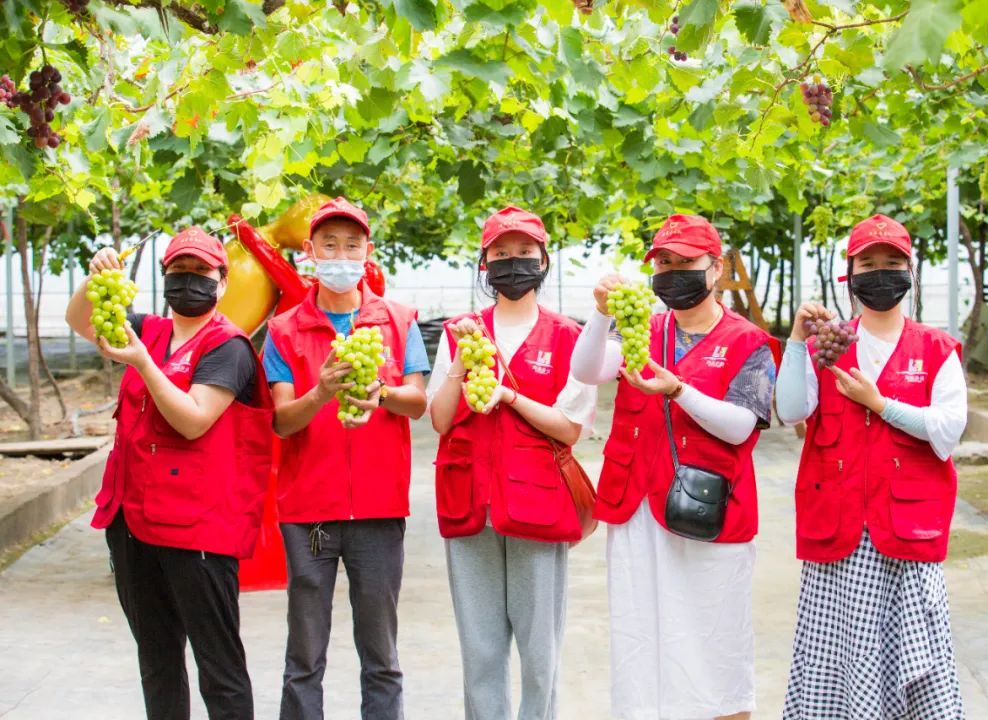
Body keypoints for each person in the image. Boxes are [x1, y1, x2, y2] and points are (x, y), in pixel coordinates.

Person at [570, 214, 777, 720]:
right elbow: (587, 370)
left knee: (713, 637)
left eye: (686, 262)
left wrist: (680, 391)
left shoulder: (749, 341)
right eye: (664, 262)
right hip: (637, 503)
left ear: (717, 267)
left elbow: (740, 426)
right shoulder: (644, 326)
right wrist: (600, 316)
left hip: (709, 508)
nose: (672, 271)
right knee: (640, 634)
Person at [65, 228, 274, 720]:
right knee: (156, 657)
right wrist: (94, 277)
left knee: (217, 663)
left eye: (200, 273)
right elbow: (79, 319)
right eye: (178, 272)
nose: (189, 282)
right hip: (133, 519)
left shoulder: (229, 347)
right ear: (164, 279)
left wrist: (142, 361)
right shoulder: (148, 329)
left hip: (198, 528)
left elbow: (193, 418)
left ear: (222, 283)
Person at [776, 214, 967, 719]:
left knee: (918, 663)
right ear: (850, 275)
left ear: (911, 271)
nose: (880, 273)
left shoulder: (937, 349)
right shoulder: (829, 344)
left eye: (892, 263)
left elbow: (948, 429)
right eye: (868, 263)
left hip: (906, 534)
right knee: (836, 662)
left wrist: (881, 405)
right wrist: (797, 342)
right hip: (838, 534)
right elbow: (792, 410)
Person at [261, 197, 429, 720]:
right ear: (309, 252)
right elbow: (283, 421)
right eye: (329, 245)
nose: (340, 254)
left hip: (379, 511)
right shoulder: (284, 330)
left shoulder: (398, 321)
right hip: (309, 511)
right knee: (305, 652)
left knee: (380, 653)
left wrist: (379, 391)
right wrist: (321, 392)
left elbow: (418, 401)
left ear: (367, 251)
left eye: (351, 245)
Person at [428, 206, 597, 720]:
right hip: (470, 501)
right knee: (479, 650)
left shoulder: (569, 336)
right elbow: (439, 418)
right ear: (485, 265)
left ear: (544, 260)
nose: (513, 264)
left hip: (537, 503)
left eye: (524, 253)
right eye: (501, 254)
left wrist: (508, 396)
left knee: (539, 651)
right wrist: (460, 361)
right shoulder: (462, 331)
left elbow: (571, 427)